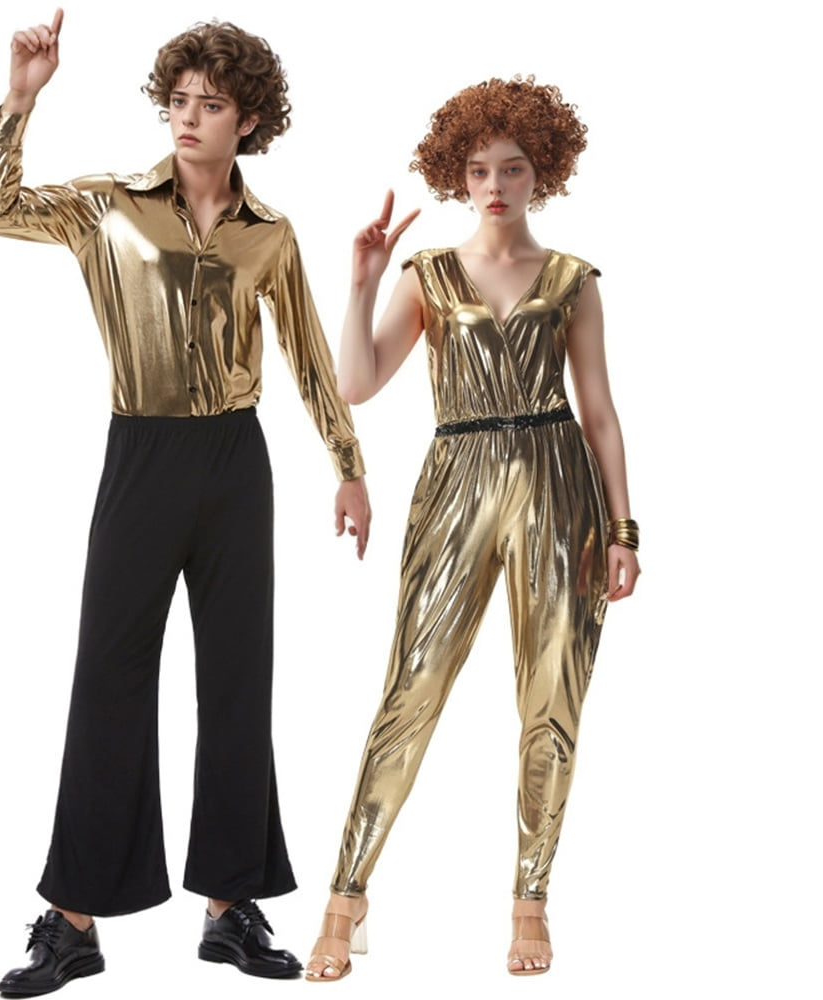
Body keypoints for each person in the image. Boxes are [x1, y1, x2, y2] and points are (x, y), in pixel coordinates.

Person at [0, 9, 371, 995]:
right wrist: (20, 100)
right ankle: (73, 924)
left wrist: (348, 464)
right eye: (179, 100)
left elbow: (309, 353)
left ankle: (232, 910)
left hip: (235, 461)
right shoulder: (106, 207)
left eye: (212, 104)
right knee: (108, 678)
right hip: (140, 454)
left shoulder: (269, 235)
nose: (188, 117)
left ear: (249, 119)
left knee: (237, 682)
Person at [304, 76, 639, 981]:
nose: (496, 185)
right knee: (411, 690)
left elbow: (600, 413)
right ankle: (345, 898)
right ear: (457, 174)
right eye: (480, 169)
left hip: (558, 486)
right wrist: (361, 283)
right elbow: (357, 382)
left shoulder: (572, 280)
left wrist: (623, 530)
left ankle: (531, 901)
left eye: (514, 167)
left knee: (552, 697)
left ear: (543, 172)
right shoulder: (429, 275)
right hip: (456, 484)